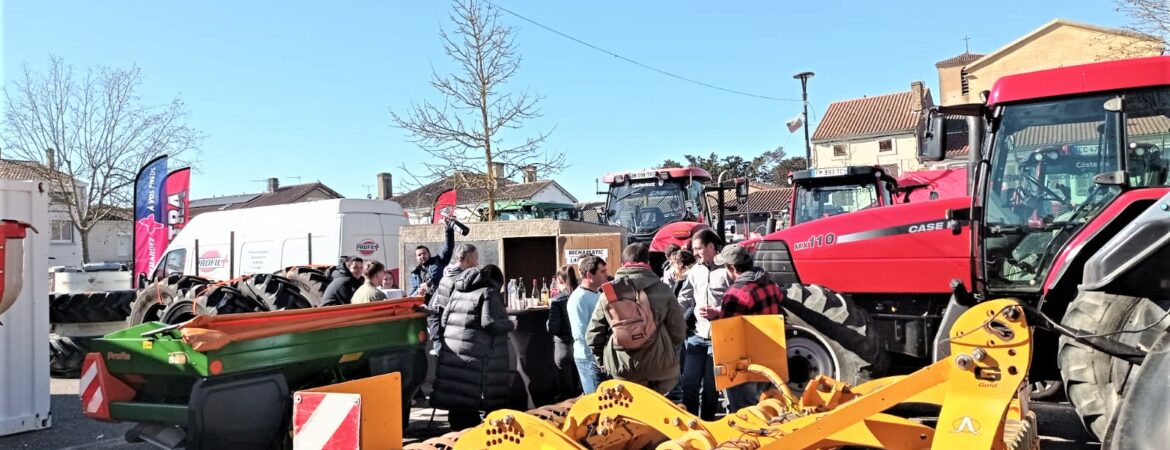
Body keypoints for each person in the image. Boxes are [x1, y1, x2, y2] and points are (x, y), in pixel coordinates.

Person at [586, 243, 686, 395]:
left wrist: (604, 361)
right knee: (658, 412)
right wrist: (667, 352)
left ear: (622, 265)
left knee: (627, 413)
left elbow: (593, 335)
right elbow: (678, 331)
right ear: (647, 264)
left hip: (622, 368)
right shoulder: (663, 290)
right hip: (659, 368)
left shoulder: (609, 293)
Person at [430, 264, 514, 430]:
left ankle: (456, 434)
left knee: (458, 394)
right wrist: (510, 324)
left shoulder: (458, 291)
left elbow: (444, 320)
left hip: (453, 353)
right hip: (475, 353)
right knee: (471, 395)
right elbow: (489, 323)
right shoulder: (488, 292)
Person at [709, 244, 784, 411]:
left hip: (746, 364)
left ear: (732, 268)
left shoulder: (736, 293)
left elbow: (727, 330)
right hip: (771, 356)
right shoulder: (769, 282)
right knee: (768, 406)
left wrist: (716, 318)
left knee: (744, 411)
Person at [676, 229, 731, 420]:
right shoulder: (694, 271)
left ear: (711, 247)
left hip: (719, 337)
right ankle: (693, 423)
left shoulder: (727, 271)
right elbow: (683, 299)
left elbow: (737, 302)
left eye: (698, 249)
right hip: (697, 336)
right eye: (694, 249)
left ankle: (708, 424)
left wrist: (718, 312)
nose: (695, 253)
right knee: (689, 382)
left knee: (711, 386)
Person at [568, 255, 610, 394]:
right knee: (596, 401)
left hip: (601, 358)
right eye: (602, 272)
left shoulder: (598, 293)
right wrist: (597, 358)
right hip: (589, 359)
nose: (607, 275)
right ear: (589, 275)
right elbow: (581, 334)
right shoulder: (578, 298)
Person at [546, 264, 583, 401]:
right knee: (578, 385)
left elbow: (553, 328)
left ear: (560, 280)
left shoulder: (557, 301)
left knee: (565, 388)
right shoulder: (580, 295)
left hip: (563, 347)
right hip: (578, 346)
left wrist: (547, 322)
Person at [409, 220, 457, 299]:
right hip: (424, 304)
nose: (422, 256)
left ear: (429, 254)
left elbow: (448, 247)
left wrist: (448, 230)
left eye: (424, 253)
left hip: (439, 300)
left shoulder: (439, 261)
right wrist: (418, 292)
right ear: (416, 258)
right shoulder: (415, 274)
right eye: (419, 255)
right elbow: (411, 295)